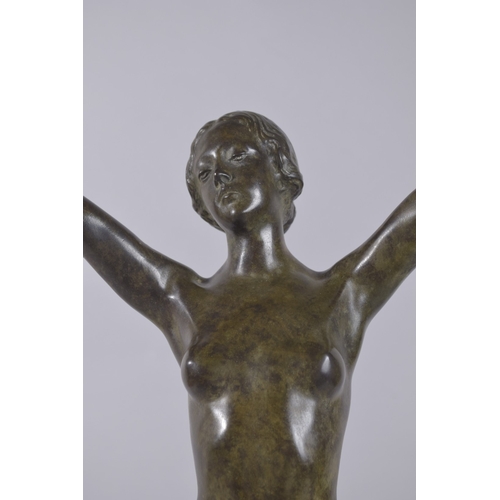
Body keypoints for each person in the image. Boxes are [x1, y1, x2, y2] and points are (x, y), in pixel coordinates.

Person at [84, 111, 416, 500]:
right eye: (205, 173)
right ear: (203, 205)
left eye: (237, 155)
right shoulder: (184, 300)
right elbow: (88, 228)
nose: (219, 176)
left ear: (281, 168)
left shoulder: (341, 294)